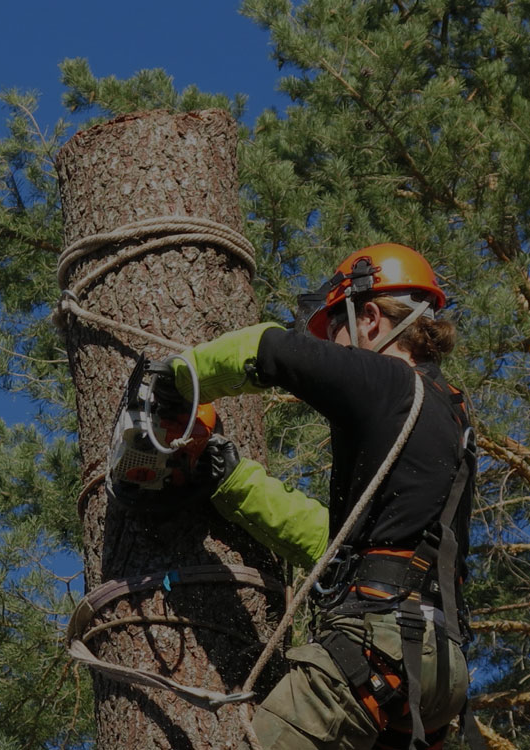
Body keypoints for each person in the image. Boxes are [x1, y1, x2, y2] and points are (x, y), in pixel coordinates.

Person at [163, 243, 475, 750]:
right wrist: (231, 478)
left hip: (379, 648)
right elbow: (334, 547)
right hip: (438, 671)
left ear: (370, 316)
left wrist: (176, 381)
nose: (333, 343)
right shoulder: (452, 419)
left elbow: (272, 350)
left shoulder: (392, 384)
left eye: (336, 328)